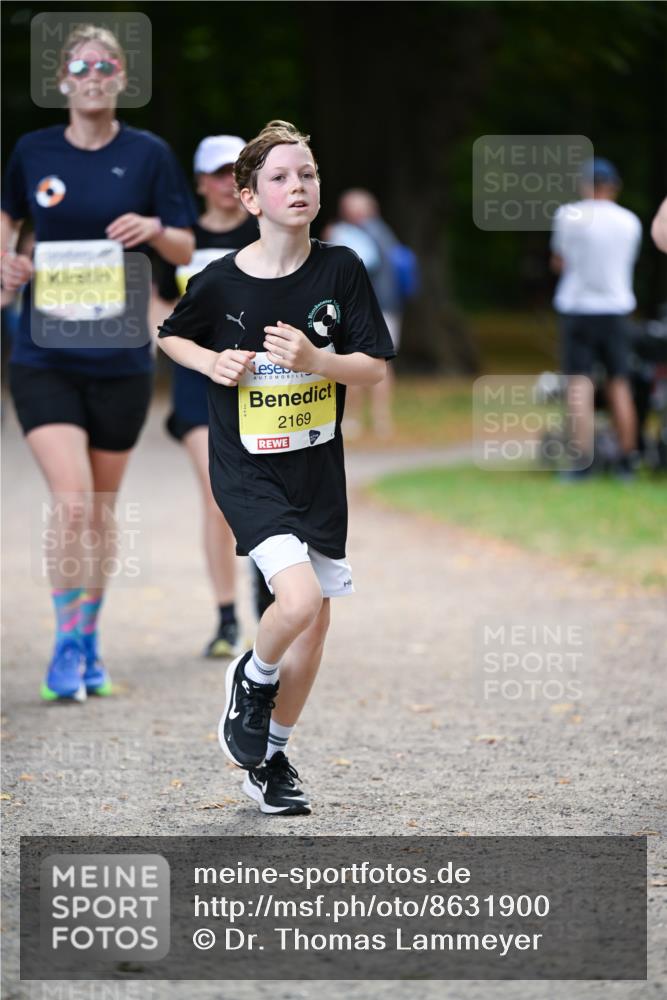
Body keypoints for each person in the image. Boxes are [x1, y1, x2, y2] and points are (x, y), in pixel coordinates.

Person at [158, 120, 395, 815]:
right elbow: (171, 337)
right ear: (249, 197)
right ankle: (253, 677)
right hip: (246, 469)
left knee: (316, 624)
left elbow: (373, 369)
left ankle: (269, 760)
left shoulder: (341, 268)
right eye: (281, 178)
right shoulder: (219, 281)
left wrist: (316, 361)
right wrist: (212, 361)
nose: (299, 186)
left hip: (317, 470)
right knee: (292, 602)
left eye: (308, 175)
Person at [1, 24, 195, 701]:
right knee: (73, 502)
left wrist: (154, 231)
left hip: (120, 357)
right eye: (79, 65)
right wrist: (8, 265)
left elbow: (182, 247)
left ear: (120, 79)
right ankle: (63, 644)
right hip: (43, 354)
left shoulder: (148, 155)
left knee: (103, 509)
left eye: (104, 65)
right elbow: (8, 221)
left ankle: (89, 638)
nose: (91, 75)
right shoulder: (33, 151)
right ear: (62, 80)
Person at [153, 134, 266, 658]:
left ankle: (267, 595)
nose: (228, 182)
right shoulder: (180, 240)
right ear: (200, 182)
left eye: (237, 171)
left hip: (261, 382)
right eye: (219, 173)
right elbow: (157, 311)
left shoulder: (267, 231)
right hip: (198, 383)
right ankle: (226, 618)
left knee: (268, 494)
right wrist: (188, 347)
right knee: (218, 495)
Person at [550, 157, 641, 479]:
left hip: (578, 308)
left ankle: (582, 462)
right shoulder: (630, 221)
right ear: (614, 187)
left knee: (579, 385)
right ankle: (626, 460)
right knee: (619, 383)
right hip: (616, 309)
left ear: (586, 185)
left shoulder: (568, 216)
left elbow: (559, 261)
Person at [327, 189, 404, 438]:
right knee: (383, 363)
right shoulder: (385, 233)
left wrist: (332, 244)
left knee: (354, 359)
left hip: (366, 307)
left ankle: (353, 419)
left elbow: (358, 265)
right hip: (390, 306)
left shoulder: (355, 234)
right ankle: (382, 420)